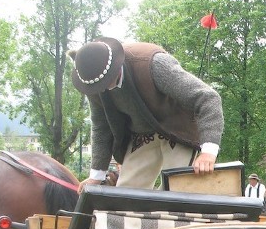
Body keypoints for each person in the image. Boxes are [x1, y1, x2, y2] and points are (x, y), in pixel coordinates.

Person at [68, 37, 223, 190]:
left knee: (176, 189)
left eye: (103, 83)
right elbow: (101, 128)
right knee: (125, 195)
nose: (101, 90)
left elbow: (208, 98)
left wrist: (208, 153)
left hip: (177, 128)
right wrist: (96, 176)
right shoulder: (93, 82)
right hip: (141, 134)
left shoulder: (153, 64)